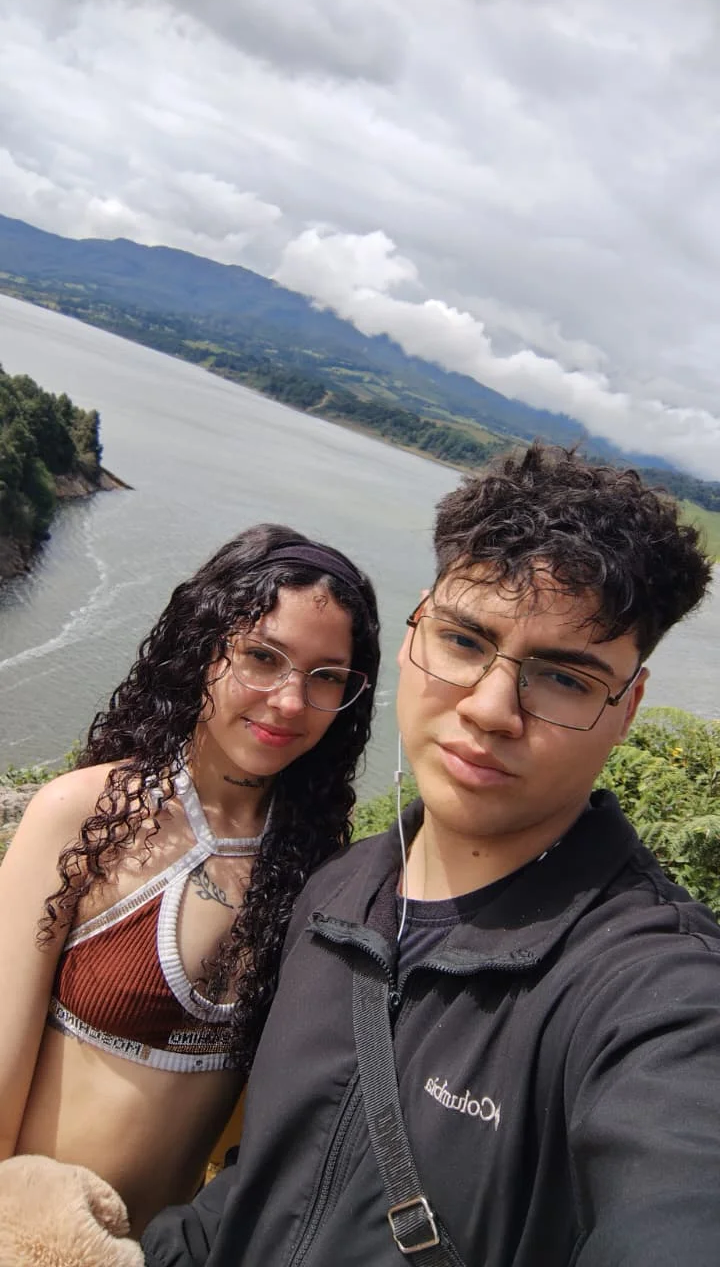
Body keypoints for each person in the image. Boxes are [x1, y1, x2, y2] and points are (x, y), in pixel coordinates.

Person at [4, 444, 720, 1267]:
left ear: (628, 707)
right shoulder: (333, 899)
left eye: (565, 678)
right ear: (418, 632)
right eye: (466, 640)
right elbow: (256, 1192)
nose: (491, 709)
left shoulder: (653, 993)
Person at [0, 523, 380, 1236]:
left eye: (326, 676)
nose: (289, 701)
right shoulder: (86, 816)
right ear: (202, 647)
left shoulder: (317, 864)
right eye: (262, 657)